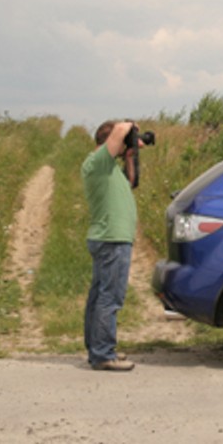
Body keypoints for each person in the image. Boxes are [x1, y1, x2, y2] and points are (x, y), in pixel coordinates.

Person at [82, 120, 140, 371]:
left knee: (98, 297)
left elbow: (131, 181)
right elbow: (118, 130)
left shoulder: (109, 167)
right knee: (110, 298)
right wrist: (130, 126)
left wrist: (129, 156)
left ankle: (97, 348)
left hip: (111, 238)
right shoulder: (97, 162)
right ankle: (104, 354)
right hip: (111, 239)